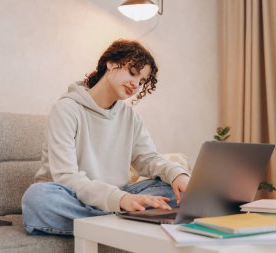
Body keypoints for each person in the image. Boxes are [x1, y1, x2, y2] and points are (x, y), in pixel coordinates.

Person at [21, 39, 190, 236]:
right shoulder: (66, 110)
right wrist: (120, 200)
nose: (135, 84)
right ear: (110, 63)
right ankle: (125, 218)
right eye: (132, 72)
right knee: (37, 198)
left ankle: (115, 219)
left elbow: (148, 159)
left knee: (171, 190)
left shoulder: (130, 117)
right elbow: (67, 177)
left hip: (117, 196)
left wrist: (179, 175)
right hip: (73, 196)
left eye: (142, 81)